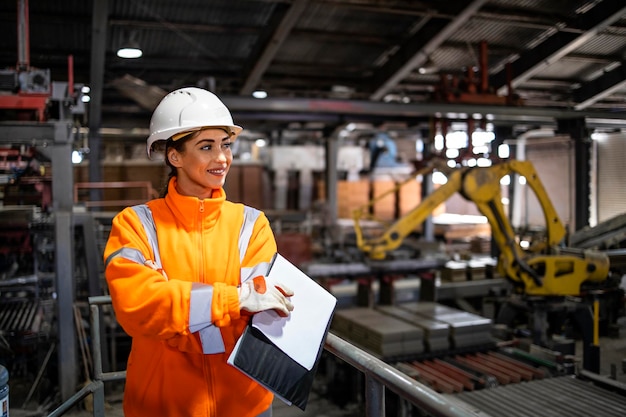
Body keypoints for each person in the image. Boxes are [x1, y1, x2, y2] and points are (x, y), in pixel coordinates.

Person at [103, 86, 294, 417]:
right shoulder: (136, 225)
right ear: (174, 156)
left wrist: (175, 323)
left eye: (225, 145)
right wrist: (232, 301)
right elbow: (138, 308)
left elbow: (261, 312)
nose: (222, 158)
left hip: (244, 405)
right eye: (206, 147)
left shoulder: (251, 224)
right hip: (165, 406)